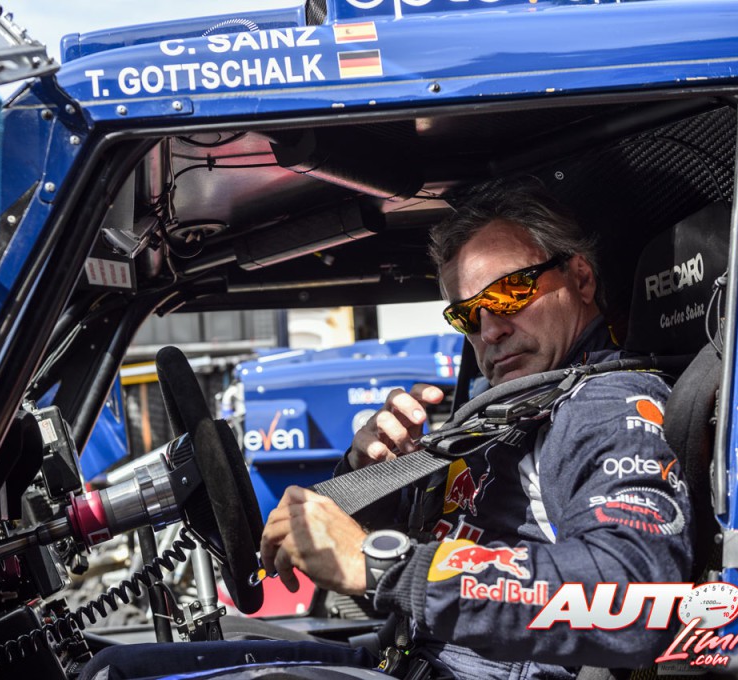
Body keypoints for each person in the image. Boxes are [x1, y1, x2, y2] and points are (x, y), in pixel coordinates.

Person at [258, 182, 694, 678]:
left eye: (510, 293)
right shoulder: (503, 409)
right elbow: (431, 543)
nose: (489, 331)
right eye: (467, 315)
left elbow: (636, 594)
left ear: (581, 278)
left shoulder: (602, 404)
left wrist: (379, 564)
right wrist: (371, 478)